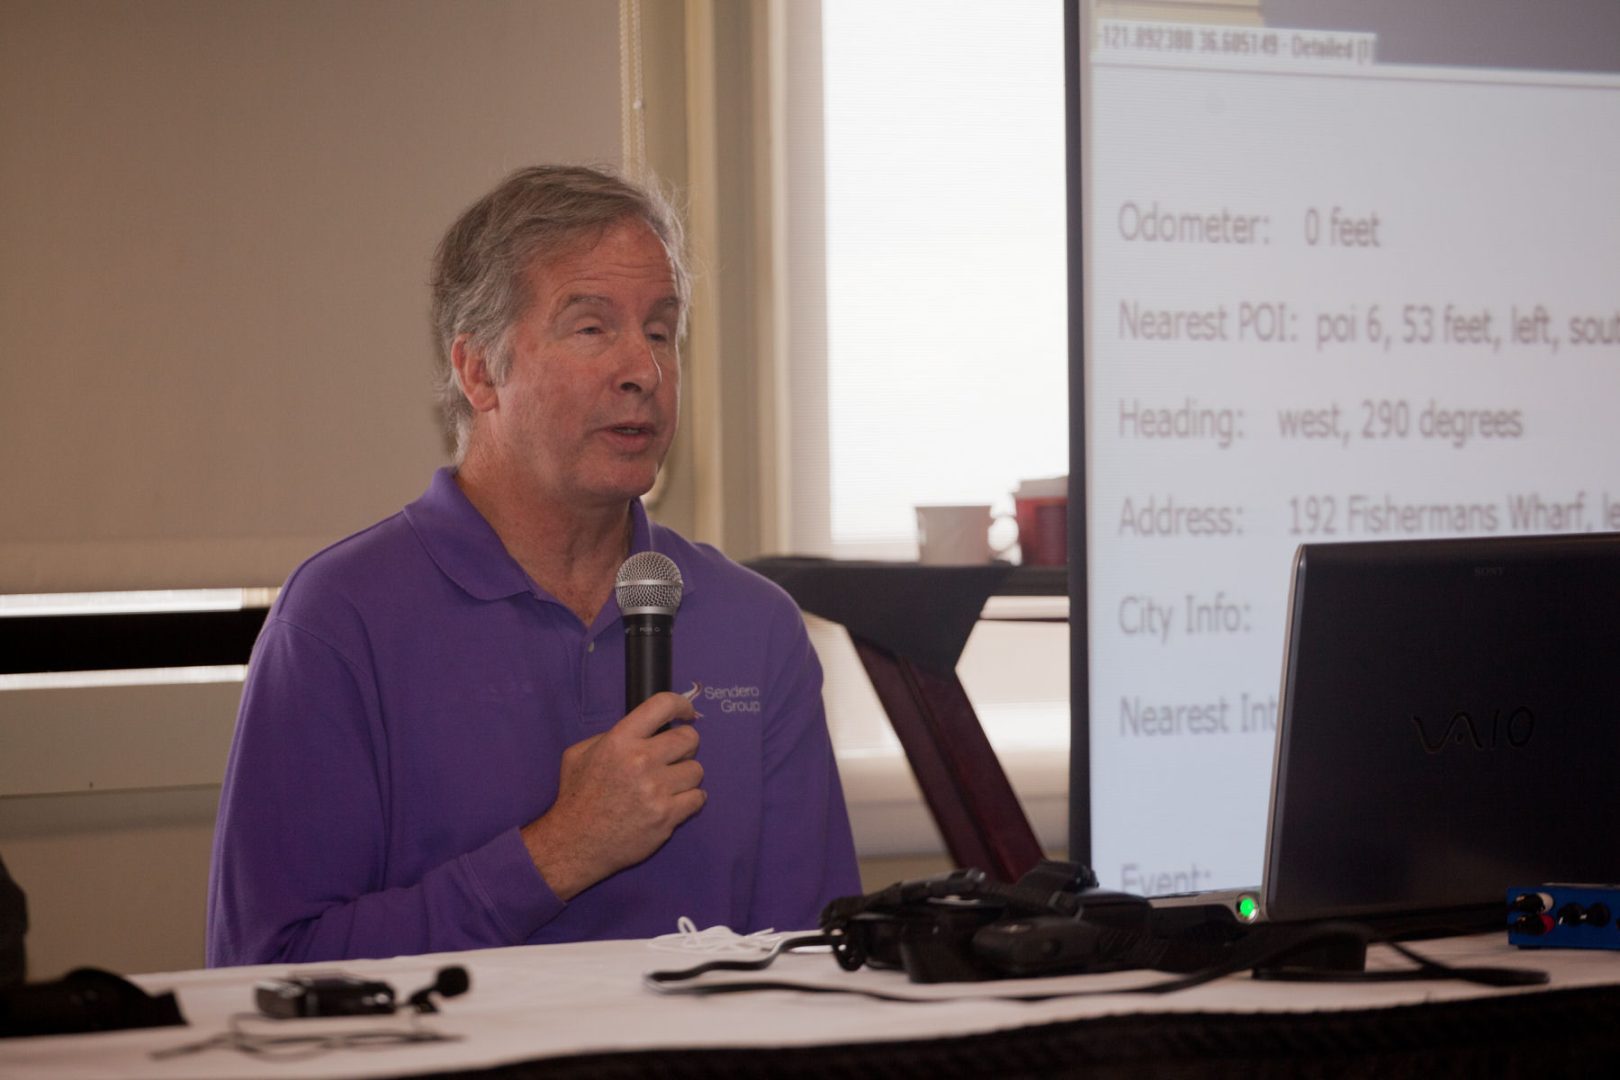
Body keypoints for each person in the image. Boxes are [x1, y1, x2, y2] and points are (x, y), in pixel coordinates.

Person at [206, 165, 860, 966]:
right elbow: (264, 972)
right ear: (479, 370)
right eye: (591, 329)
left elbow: (816, 961)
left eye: (661, 331)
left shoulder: (753, 626)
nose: (644, 370)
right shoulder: (341, 618)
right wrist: (558, 853)